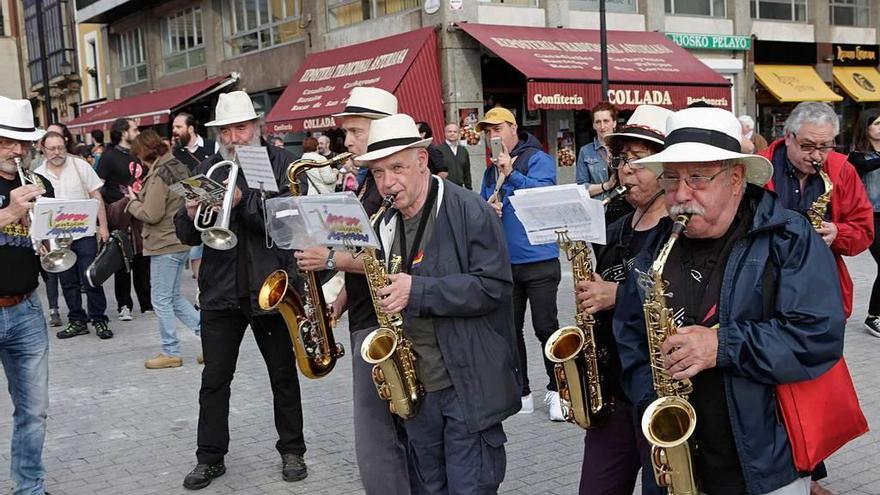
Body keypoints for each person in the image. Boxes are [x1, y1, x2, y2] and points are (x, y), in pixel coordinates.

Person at [615, 106, 846, 495]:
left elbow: (818, 336)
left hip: (765, 465)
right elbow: (630, 335)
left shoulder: (789, 238)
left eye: (698, 178)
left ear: (736, 178)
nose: (681, 195)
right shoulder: (656, 245)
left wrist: (721, 345)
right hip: (674, 460)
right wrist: (652, 399)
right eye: (671, 179)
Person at [356, 113, 520, 493]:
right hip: (418, 388)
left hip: (467, 386)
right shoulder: (385, 223)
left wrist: (418, 291)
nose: (387, 183)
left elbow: (494, 287)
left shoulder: (469, 210)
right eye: (378, 174)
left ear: (422, 160)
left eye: (396, 167)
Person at [173, 91, 308, 490]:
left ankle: (292, 450)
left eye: (241, 127)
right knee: (214, 379)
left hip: (272, 287)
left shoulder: (283, 164)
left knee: (282, 374)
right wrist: (192, 213)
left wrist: (243, 199)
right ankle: (210, 458)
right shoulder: (210, 167)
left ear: (256, 127)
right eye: (226, 129)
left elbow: (287, 224)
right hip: (221, 291)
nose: (234, 136)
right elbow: (185, 234)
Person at [293, 86, 417, 495]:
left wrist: (329, 260)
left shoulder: (391, 185)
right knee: (385, 432)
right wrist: (340, 301)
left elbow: (391, 257)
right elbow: (367, 254)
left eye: (355, 131)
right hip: (367, 314)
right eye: (346, 132)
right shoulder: (367, 183)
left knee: (377, 438)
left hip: (387, 319)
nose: (346, 142)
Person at [574, 105, 672, 495]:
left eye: (638, 160)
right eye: (622, 159)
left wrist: (617, 294)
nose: (625, 170)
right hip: (612, 393)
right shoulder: (614, 224)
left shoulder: (680, 228)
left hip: (658, 393)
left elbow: (681, 297)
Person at [477, 107, 563, 420]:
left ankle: (558, 390)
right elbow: (483, 202)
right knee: (509, 331)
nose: (492, 136)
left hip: (539, 259)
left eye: (496, 129)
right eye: (487, 132)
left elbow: (546, 193)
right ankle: (521, 390)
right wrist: (491, 209)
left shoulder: (536, 158)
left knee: (546, 328)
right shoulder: (490, 171)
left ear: (513, 128)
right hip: (504, 263)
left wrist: (512, 173)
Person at [760, 101, 874, 322]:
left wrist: (837, 233)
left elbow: (864, 229)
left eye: (825, 147)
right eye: (807, 146)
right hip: (766, 281)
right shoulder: (760, 167)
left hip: (819, 284)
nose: (817, 156)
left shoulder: (843, 169)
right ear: (788, 136)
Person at [0, 96, 54, 495]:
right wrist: (8, 213)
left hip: (27, 309)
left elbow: (51, 239)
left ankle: (29, 489)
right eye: (5, 142)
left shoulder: (38, 183)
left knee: (34, 412)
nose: (16, 151)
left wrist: (55, 236)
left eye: (21, 143)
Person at [127, 130, 200, 369]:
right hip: (180, 240)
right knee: (174, 297)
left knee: (160, 299)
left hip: (163, 243)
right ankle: (209, 338)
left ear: (143, 153)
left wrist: (133, 202)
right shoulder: (177, 166)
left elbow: (152, 214)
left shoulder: (158, 175)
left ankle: (170, 351)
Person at [35, 131, 113, 340]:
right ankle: (77, 320)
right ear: (43, 149)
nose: (57, 152)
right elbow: (34, 210)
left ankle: (99, 319)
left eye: (60, 147)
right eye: (52, 148)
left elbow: (96, 197)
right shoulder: (37, 174)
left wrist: (103, 227)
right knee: (67, 281)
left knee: (91, 278)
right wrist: (39, 240)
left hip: (85, 233)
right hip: (56, 238)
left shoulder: (80, 166)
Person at [98, 117, 152, 320]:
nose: (138, 133)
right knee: (122, 260)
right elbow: (98, 187)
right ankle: (124, 305)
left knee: (141, 259)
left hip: (139, 213)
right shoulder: (108, 157)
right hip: (119, 214)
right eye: (134, 129)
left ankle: (146, 303)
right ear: (123, 132)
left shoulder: (138, 153)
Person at [848, 107, 880, 337]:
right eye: (877, 123)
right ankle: (873, 316)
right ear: (866, 127)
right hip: (871, 217)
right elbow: (867, 166)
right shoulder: (858, 155)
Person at [437, 123, 472, 189]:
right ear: (445, 133)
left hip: (460, 188)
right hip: (444, 187)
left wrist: (469, 188)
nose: (452, 133)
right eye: (449, 131)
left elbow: (467, 172)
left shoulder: (463, 151)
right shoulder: (438, 150)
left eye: (455, 132)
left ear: (459, 134)